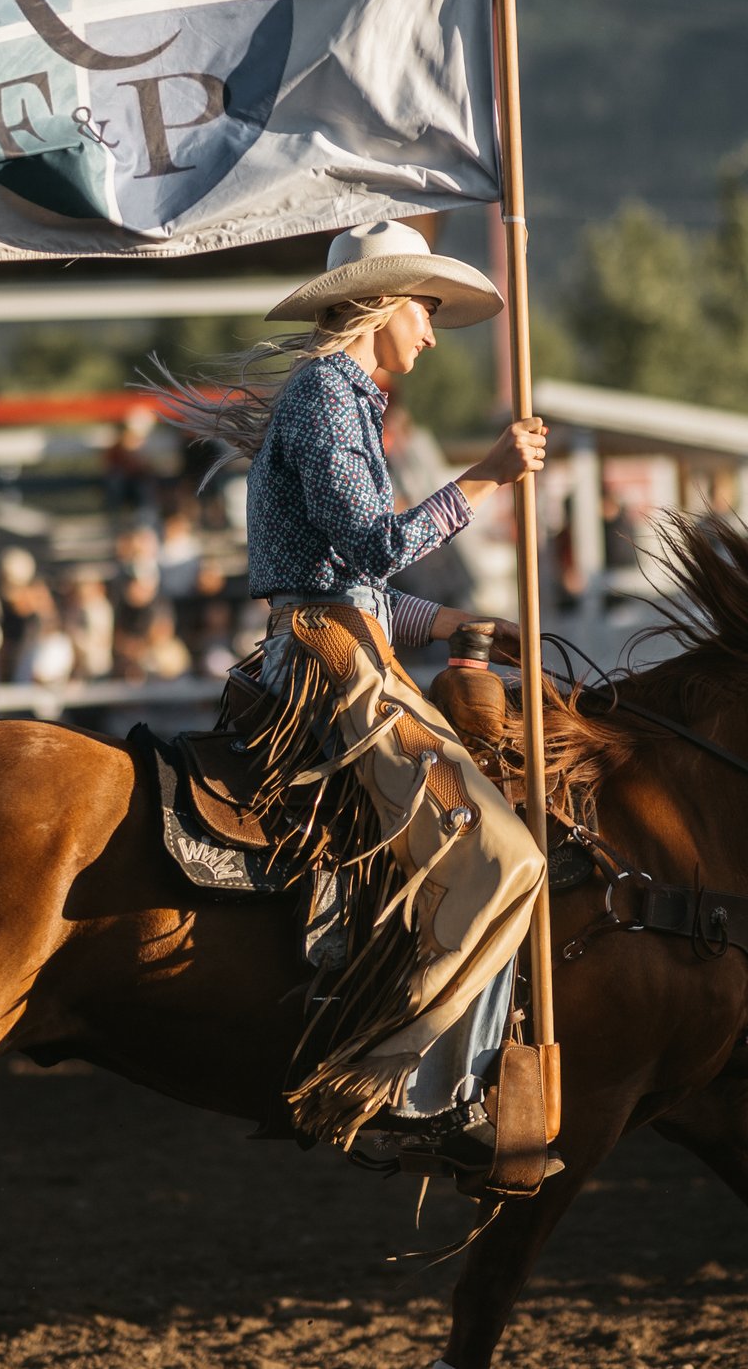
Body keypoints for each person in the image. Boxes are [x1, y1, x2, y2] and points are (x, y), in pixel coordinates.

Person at [153, 219, 548, 1180]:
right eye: (426, 309)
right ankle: (396, 1085)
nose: (433, 332)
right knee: (507, 857)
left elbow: (350, 583)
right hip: (332, 665)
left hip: (341, 640)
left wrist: (450, 621)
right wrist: (486, 480)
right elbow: (372, 549)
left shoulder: (338, 399)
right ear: (381, 303)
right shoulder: (328, 394)